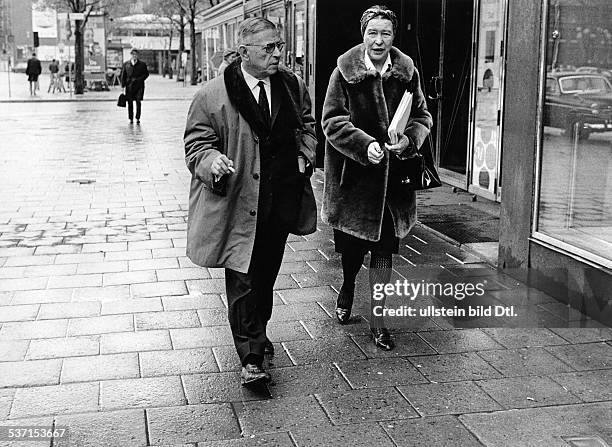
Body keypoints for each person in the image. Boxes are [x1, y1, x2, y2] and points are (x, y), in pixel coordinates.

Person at [184, 17, 317, 387]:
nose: (278, 54)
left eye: (279, 46)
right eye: (269, 48)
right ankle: (252, 357)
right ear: (244, 53)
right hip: (239, 201)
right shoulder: (211, 95)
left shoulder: (292, 85)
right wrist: (213, 161)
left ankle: (258, 330)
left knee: (265, 275)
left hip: (280, 199)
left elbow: (306, 125)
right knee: (242, 276)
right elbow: (196, 146)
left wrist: (305, 154)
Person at [321, 5, 433, 350]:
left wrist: (408, 140)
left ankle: (379, 320)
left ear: (393, 36)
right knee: (353, 250)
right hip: (354, 182)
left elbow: (423, 115)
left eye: (385, 33)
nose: (379, 40)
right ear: (363, 34)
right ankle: (348, 285)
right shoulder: (344, 71)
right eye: (373, 33)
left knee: (385, 250)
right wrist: (364, 145)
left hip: (393, 183)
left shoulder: (406, 71)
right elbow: (331, 121)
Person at [120, 49, 149, 124]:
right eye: (133, 54)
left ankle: (137, 117)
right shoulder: (126, 64)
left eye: (135, 54)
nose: (134, 56)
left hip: (139, 86)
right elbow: (123, 75)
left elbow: (146, 74)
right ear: (131, 55)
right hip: (129, 86)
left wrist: (140, 79)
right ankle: (131, 118)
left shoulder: (142, 64)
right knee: (130, 102)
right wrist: (123, 86)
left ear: (137, 55)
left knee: (138, 101)